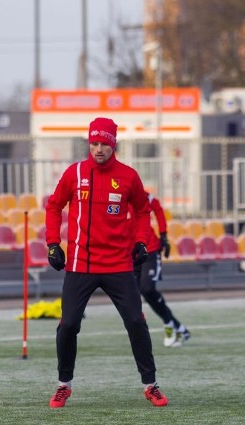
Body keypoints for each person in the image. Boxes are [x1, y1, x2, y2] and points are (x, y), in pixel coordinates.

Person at [44, 117, 167, 408]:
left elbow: (142, 209)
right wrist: (52, 243)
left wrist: (140, 240)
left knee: (136, 322)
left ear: (114, 145)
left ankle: (151, 385)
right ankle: (64, 384)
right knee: (69, 325)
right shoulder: (74, 173)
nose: (99, 149)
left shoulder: (128, 177)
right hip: (79, 263)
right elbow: (54, 206)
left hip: (118, 264)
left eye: (104, 144)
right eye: (94, 143)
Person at [134, 193, 192, 347]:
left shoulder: (139, 195)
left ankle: (169, 325)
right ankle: (178, 327)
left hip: (150, 250)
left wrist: (164, 236)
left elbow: (158, 208)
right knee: (135, 296)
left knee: (147, 289)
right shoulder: (110, 199)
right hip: (128, 254)